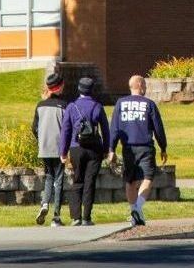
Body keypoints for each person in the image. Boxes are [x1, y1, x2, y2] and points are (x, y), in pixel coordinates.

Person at [110, 75, 168, 227]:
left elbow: (114, 128)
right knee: (148, 178)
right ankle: (137, 207)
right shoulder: (149, 104)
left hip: (127, 147)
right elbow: (158, 128)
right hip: (145, 146)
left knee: (130, 180)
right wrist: (163, 147)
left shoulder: (120, 104)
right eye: (145, 85)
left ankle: (135, 214)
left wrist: (111, 148)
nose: (146, 88)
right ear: (141, 86)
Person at [58, 77, 110, 226]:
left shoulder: (71, 106)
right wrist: (106, 150)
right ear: (91, 90)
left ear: (79, 89)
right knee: (90, 182)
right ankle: (87, 217)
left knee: (77, 180)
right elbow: (105, 130)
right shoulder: (98, 107)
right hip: (95, 149)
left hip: (76, 148)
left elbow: (65, 131)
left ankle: (76, 217)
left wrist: (63, 152)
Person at [31, 72, 70, 226]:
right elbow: (68, 128)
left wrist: (41, 140)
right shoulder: (65, 105)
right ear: (60, 87)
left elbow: (34, 128)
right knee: (59, 180)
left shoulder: (40, 105)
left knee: (48, 177)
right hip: (59, 147)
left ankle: (44, 203)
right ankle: (56, 217)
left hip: (44, 147)